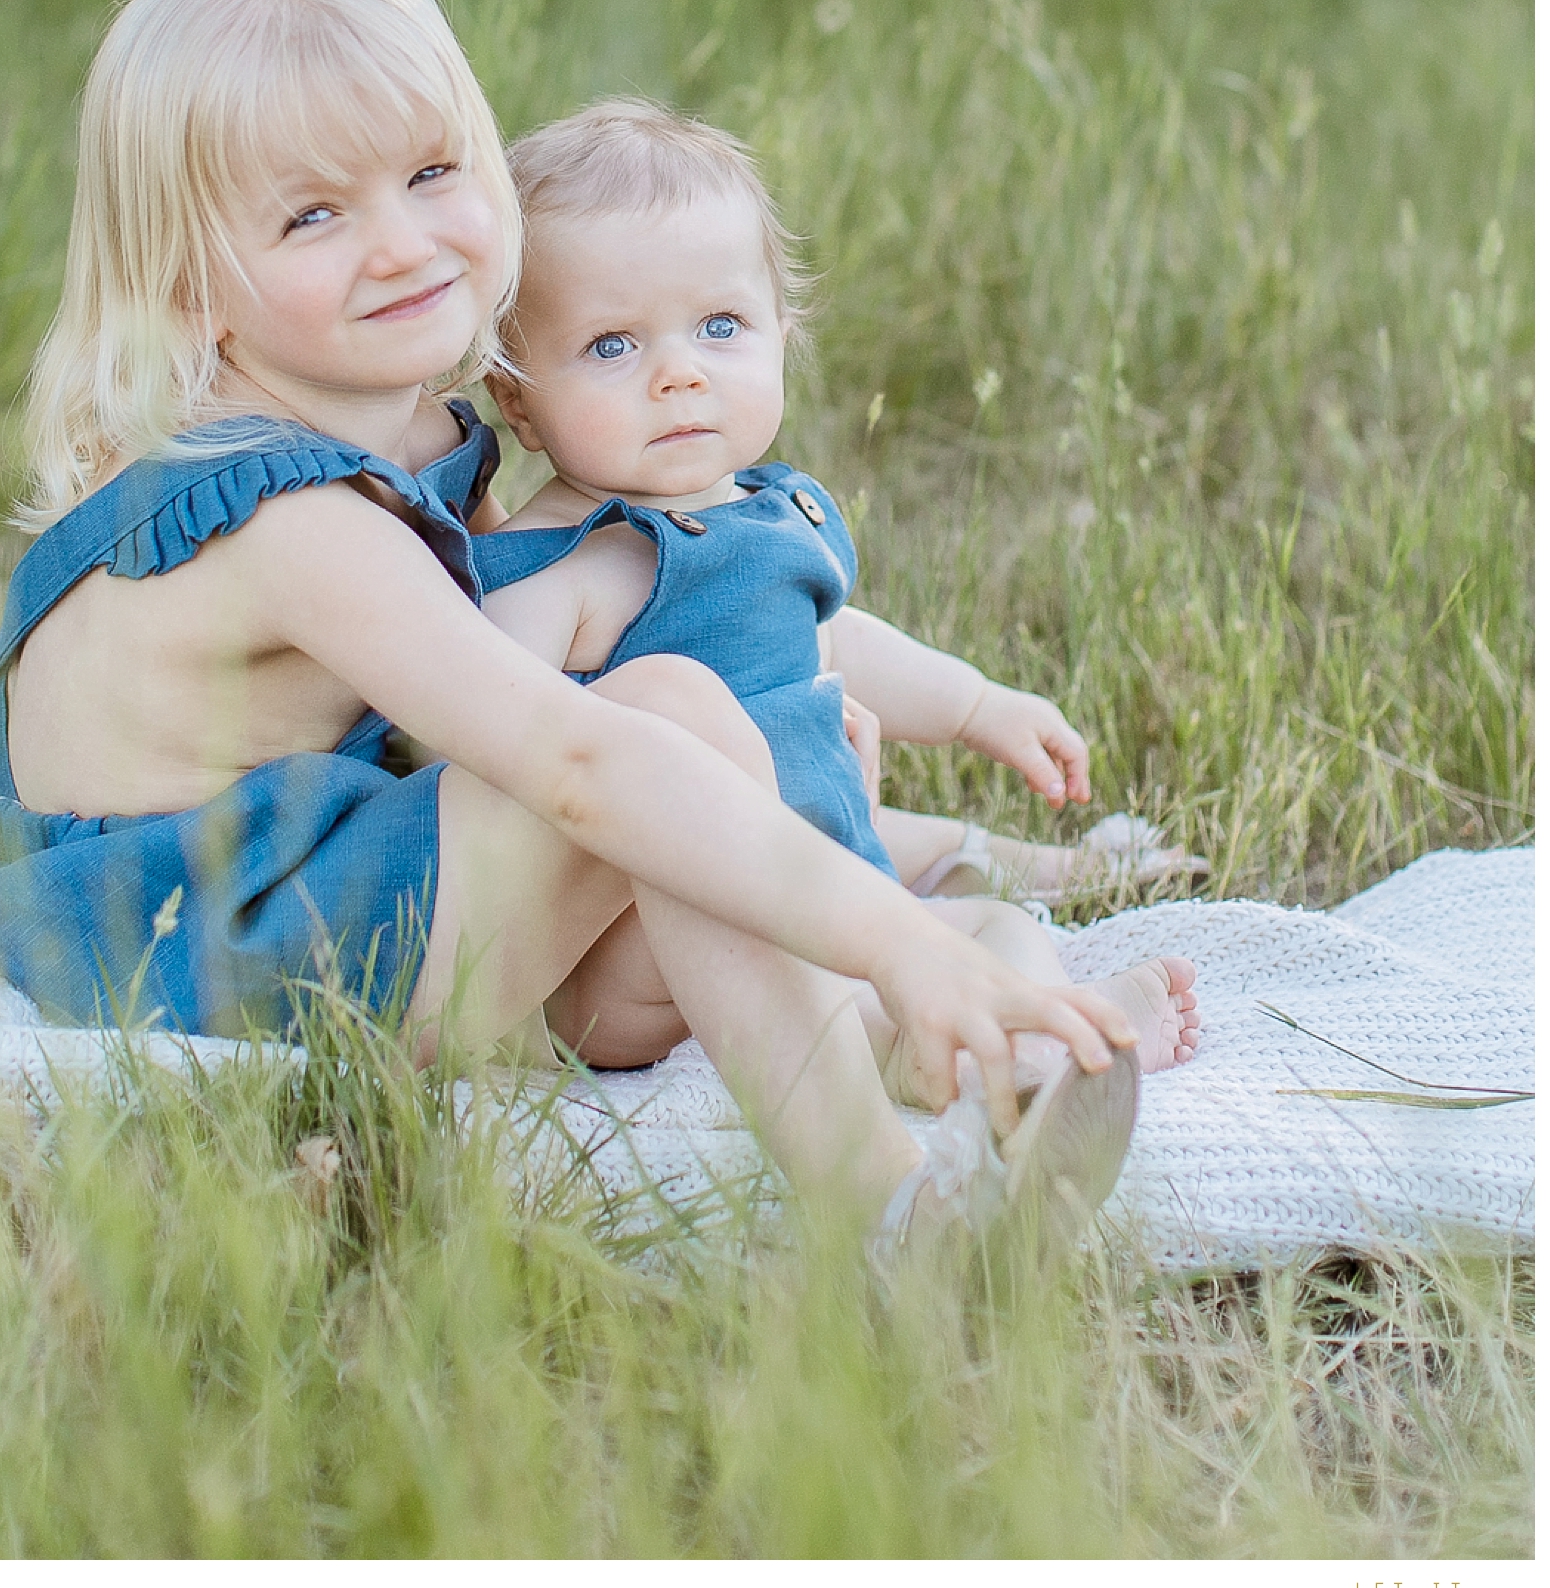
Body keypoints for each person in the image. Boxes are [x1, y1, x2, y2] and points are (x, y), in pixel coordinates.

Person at [0, 0, 1144, 1270]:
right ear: (189, 285)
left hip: (330, 861)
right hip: (188, 944)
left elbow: (557, 675)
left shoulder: (403, 422)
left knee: (691, 745)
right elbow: (570, 758)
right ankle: (892, 1210)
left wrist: (786, 774)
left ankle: (904, 1041)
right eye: (313, 214)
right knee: (661, 730)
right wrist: (892, 933)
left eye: (432, 171)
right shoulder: (295, 518)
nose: (402, 243)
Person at [469, 99, 1199, 1100]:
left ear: (780, 330)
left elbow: (834, 634)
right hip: (641, 945)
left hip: (826, 878)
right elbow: (473, 719)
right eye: (610, 345)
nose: (678, 373)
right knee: (801, 965)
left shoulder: (774, 513)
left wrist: (977, 706)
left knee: (999, 924)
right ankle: (926, 1053)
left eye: (717, 325)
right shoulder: (564, 562)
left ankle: (1023, 1034)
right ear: (516, 399)